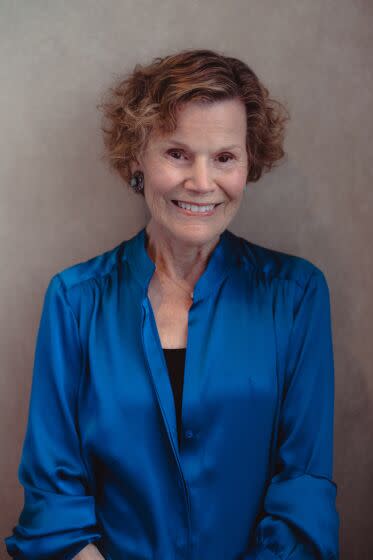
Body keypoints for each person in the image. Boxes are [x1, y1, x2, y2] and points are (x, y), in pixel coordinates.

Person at [4, 48, 340, 560]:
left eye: (224, 157)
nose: (202, 183)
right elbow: (54, 503)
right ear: (138, 155)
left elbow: (303, 495)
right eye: (177, 154)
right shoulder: (74, 302)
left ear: (250, 163)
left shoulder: (296, 296)